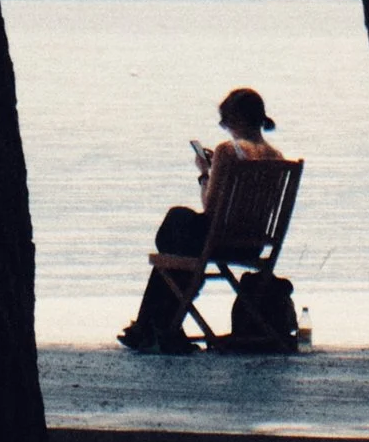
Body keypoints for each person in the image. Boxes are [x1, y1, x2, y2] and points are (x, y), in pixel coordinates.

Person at [118, 86, 282, 353]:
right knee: (179, 244)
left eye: (225, 121)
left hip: (220, 240)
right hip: (252, 244)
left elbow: (211, 208)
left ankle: (151, 326)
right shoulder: (276, 157)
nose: (225, 128)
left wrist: (206, 172)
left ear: (237, 119)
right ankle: (154, 327)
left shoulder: (229, 152)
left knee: (176, 220)